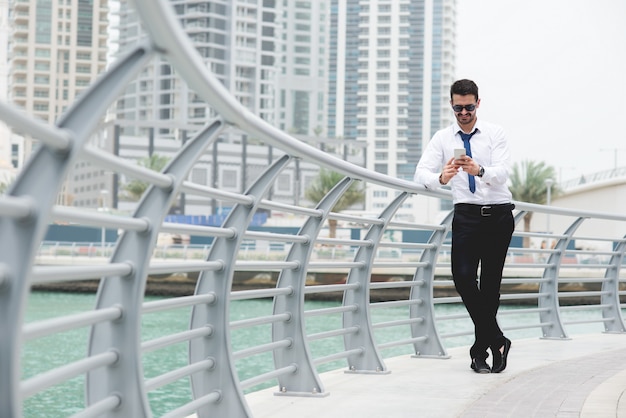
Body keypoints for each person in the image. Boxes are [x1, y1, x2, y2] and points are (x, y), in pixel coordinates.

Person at [414, 79, 515, 374]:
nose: (464, 113)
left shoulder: (495, 133)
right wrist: (441, 178)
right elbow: (421, 172)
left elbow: (503, 172)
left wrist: (479, 170)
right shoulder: (443, 138)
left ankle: (479, 353)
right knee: (462, 277)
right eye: (458, 107)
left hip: (498, 215)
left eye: (469, 107)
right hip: (467, 216)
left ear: (478, 104)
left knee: (490, 288)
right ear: (451, 105)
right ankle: (498, 340)